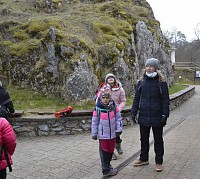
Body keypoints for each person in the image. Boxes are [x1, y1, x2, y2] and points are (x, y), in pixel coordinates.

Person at [131, 58, 170, 172]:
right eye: (147, 66)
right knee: (143, 139)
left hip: (157, 116)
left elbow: (165, 100)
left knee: (158, 140)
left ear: (155, 68)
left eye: (151, 66)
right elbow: (136, 99)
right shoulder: (141, 82)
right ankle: (144, 159)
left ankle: (159, 162)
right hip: (144, 116)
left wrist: (164, 115)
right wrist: (133, 113)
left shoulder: (161, 83)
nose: (148, 68)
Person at [91, 85, 122, 177]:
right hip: (103, 135)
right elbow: (94, 122)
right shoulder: (98, 109)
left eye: (107, 97)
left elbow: (118, 118)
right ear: (100, 98)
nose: (105, 99)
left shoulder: (113, 107)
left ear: (110, 98)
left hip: (112, 134)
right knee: (104, 152)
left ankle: (108, 166)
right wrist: (94, 133)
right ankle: (106, 170)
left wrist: (119, 129)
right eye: (103, 98)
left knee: (110, 151)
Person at [96, 73, 126, 160]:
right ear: (106, 80)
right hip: (105, 114)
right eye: (108, 78)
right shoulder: (103, 89)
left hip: (115, 114)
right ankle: (111, 152)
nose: (110, 79)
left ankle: (118, 145)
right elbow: (98, 100)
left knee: (117, 133)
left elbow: (123, 101)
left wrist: (118, 109)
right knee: (108, 135)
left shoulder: (120, 89)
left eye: (112, 77)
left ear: (115, 79)